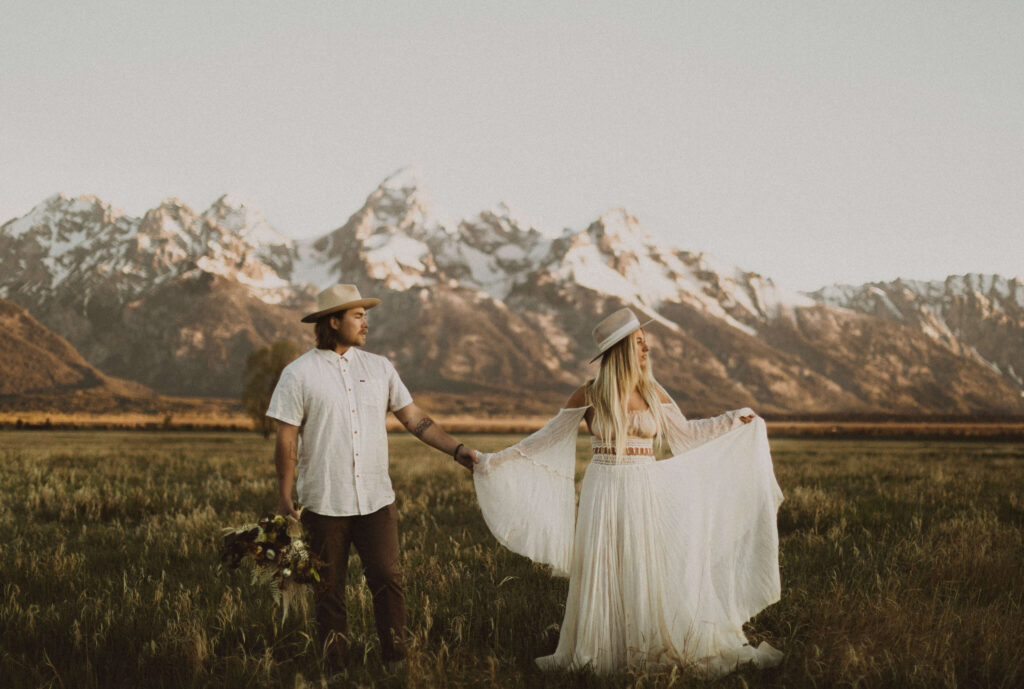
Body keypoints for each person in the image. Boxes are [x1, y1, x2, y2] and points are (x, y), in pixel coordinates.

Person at [473, 307, 784, 677]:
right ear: (620, 349)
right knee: (606, 566)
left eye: (645, 343)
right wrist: (489, 461)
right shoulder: (589, 394)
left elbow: (687, 434)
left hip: (646, 487)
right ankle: (602, 647)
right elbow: (542, 441)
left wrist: (733, 420)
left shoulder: (652, 391)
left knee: (646, 564)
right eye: (639, 343)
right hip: (604, 489)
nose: (646, 350)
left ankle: (647, 642)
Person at [266, 283, 478, 672]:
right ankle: (337, 669)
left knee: (387, 578)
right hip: (324, 502)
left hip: (377, 500)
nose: (367, 323)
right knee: (328, 591)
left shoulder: (380, 368)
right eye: (358, 316)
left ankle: (396, 663)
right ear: (334, 321)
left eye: (366, 315)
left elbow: (415, 419)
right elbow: (286, 440)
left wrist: (457, 450)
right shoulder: (297, 374)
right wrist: (284, 497)